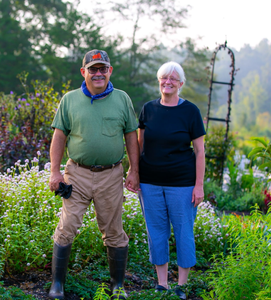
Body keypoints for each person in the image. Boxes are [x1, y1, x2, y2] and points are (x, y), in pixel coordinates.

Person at [48, 49, 140, 300]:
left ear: (110, 71)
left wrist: (134, 170)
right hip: (76, 174)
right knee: (67, 226)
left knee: (114, 230)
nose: (98, 73)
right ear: (83, 72)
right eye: (93, 69)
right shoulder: (69, 100)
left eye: (103, 69)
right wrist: (55, 172)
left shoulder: (122, 99)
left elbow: (131, 136)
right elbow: (59, 136)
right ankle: (57, 284)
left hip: (111, 175)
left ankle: (117, 286)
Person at [137, 61, 206, 300]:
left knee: (183, 231)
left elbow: (199, 151)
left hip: (183, 184)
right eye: (164, 78)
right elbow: (140, 146)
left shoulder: (190, 112)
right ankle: (162, 283)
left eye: (173, 79)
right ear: (159, 81)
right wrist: (133, 172)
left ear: (181, 84)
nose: (168, 82)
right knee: (156, 232)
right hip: (149, 182)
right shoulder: (148, 109)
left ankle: (182, 286)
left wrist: (199, 185)